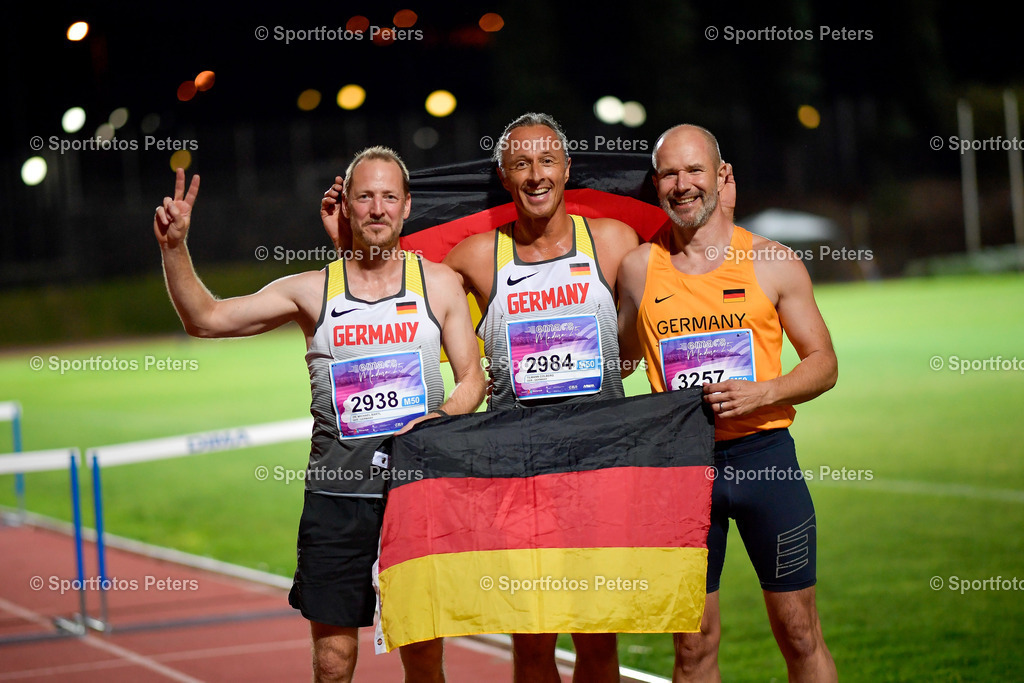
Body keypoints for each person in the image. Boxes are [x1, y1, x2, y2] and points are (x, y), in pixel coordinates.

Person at [153, 146, 486, 683]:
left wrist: (438, 416)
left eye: (389, 197)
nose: (377, 209)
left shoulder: (440, 283)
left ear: (407, 208)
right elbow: (206, 318)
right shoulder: (312, 291)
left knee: (424, 660)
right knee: (333, 661)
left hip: (413, 500)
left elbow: (474, 379)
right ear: (346, 207)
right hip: (337, 502)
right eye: (365, 197)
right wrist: (174, 249)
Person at [616, 124, 839, 682]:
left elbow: (823, 363)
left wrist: (764, 392)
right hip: (681, 473)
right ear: (656, 183)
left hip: (766, 463)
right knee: (692, 649)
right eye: (670, 173)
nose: (682, 184)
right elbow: (616, 362)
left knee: (800, 634)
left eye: (695, 170)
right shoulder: (639, 269)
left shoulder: (772, 261)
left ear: (722, 177)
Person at [442, 112, 639, 683]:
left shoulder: (612, 242)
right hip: (519, 477)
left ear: (567, 169)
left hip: (599, 468)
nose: (536, 175)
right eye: (521, 163)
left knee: (599, 643)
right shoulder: (477, 257)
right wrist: (349, 239)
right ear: (504, 175)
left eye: (547, 160)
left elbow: (654, 316)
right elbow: (404, 292)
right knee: (531, 645)